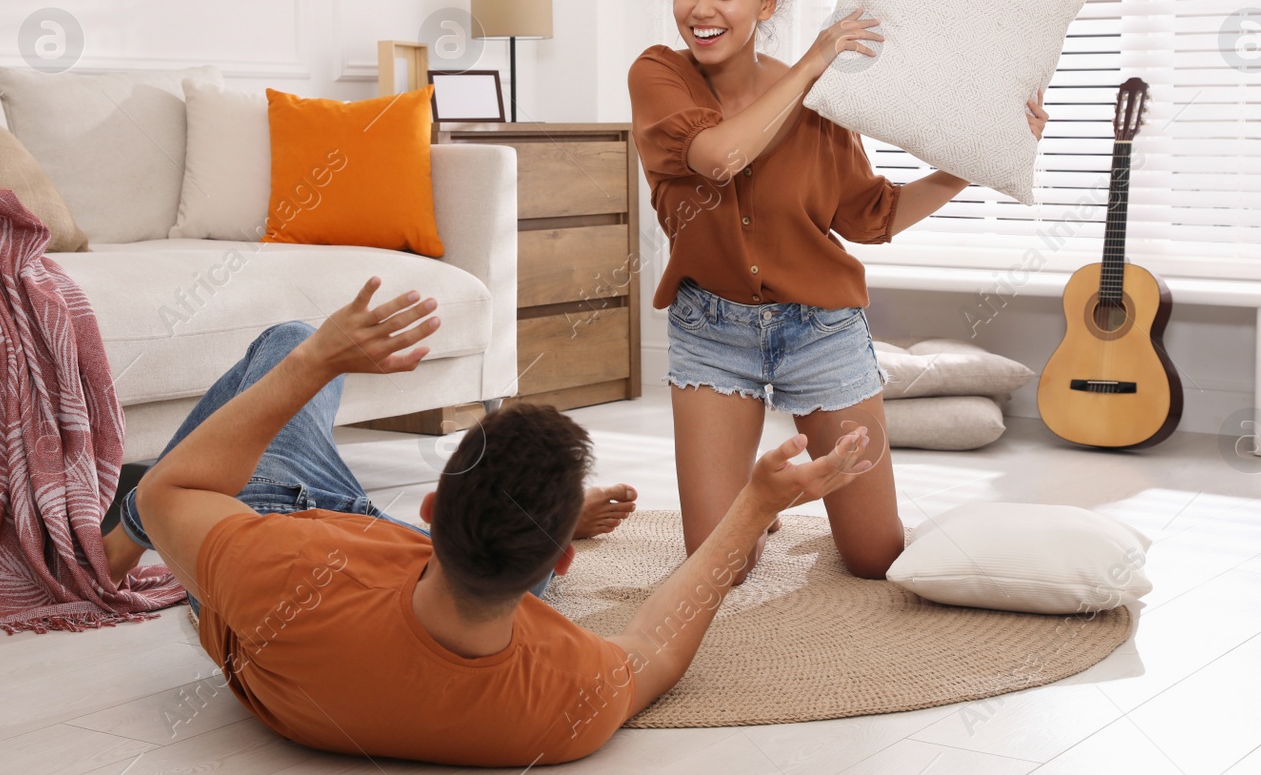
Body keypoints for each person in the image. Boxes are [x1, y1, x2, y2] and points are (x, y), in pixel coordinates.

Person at [103, 278, 875, 766]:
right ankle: (531, 528)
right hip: (398, 552)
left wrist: (321, 361)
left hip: (286, 529)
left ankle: (117, 538)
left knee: (284, 342)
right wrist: (758, 503)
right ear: (560, 565)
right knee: (498, 569)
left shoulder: (275, 577)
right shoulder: (562, 702)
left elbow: (176, 488)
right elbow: (658, 646)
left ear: (434, 510)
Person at [629, 0, 1050, 583]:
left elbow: (873, 216)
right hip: (711, 332)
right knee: (720, 568)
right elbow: (721, 156)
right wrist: (814, 63)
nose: (701, 10)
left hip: (821, 331)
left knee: (874, 557)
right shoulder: (659, 76)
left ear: (767, 0)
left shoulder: (822, 104)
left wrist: (971, 164)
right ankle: (757, 507)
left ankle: (774, 500)